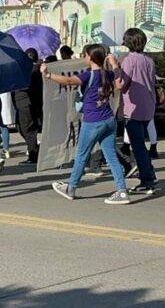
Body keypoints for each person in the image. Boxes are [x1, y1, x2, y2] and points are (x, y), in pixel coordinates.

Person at [45, 45, 129, 204]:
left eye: (85, 55)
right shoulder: (108, 73)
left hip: (92, 122)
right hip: (108, 120)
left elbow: (68, 81)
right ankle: (122, 191)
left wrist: (48, 74)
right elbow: (119, 81)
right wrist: (114, 64)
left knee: (82, 156)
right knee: (111, 157)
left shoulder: (88, 75)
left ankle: (71, 188)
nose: (84, 57)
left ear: (91, 57)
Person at [118, 28, 158, 194]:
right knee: (140, 144)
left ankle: (147, 180)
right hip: (148, 105)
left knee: (138, 146)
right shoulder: (149, 60)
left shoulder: (129, 60)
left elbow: (122, 84)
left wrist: (114, 67)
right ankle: (149, 173)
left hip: (133, 108)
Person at [12, 48, 43, 164]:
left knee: (27, 129)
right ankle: (34, 148)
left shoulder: (32, 70)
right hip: (23, 103)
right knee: (21, 127)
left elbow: (29, 87)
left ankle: (33, 154)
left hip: (26, 104)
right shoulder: (31, 69)